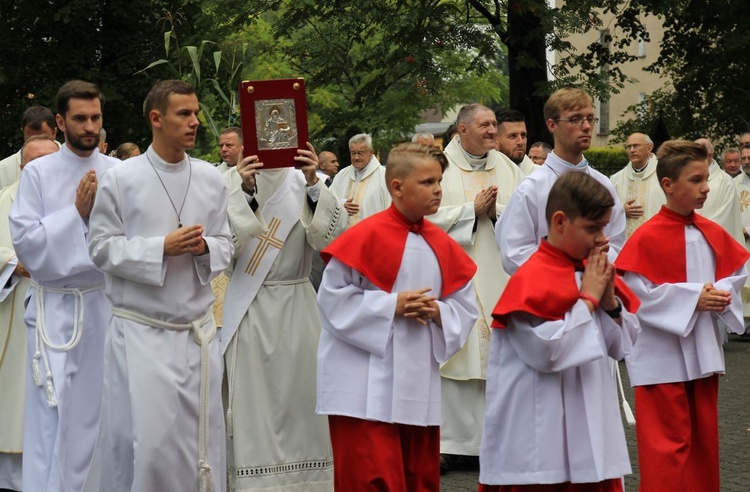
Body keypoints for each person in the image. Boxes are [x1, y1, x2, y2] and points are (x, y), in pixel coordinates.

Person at [87, 79, 233, 491]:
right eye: (183, 114)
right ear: (156, 118)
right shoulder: (120, 178)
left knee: (201, 445)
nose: (195, 122)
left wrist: (204, 246)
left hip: (197, 336)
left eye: (196, 112)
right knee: (148, 447)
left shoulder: (211, 179)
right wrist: (159, 249)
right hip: (141, 334)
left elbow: (227, 244)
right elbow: (99, 248)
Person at [316, 142, 478, 491]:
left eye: (439, 182)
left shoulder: (443, 243)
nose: (437, 190)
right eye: (427, 182)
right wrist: (392, 306)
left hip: (416, 380)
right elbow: (332, 302)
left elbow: (465, 309)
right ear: (397, 187)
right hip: (360, 386)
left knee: (417, 477)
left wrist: (439, 311)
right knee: (369, 477)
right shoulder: (363, 236)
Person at [479, 171, 640, 492]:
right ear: (560, 221)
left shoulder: (590, 270)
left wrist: (609, 303)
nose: (601, 239)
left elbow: (620, 347)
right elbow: (548, 353)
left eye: (605, 227)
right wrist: (589, 300)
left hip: (590, 425)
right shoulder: (531, 279)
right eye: (592, 228)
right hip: (540, 437)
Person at [617, 140, 749, 492]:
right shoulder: (645, 238)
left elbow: (737, 270)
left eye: (706, 179)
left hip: (702, 352)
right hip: (661, 357)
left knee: (703, 444)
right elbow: (634, 294)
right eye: (695, 180)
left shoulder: (710, 231)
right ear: (668, 185)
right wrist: (693, 299)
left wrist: (720, 294)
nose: (706, 188)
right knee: (666, 449)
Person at [219, 136, 347, 490]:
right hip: (250, 307)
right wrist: (245, 192)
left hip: (297, 306)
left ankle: (310, 482)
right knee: (253, 403)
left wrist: (312, 184)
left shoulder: (304, 182)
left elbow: (333, 242)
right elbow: (221, 250)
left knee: (300, 397)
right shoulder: (225, 183)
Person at [9, 79, 118, 492]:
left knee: (104, 409)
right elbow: (26, 242)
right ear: (60, 122)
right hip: (56, 309)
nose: (89, 126)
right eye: (80, 119)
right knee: (51, 415)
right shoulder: (38, 173)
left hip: (104, 305)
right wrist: (75, 213)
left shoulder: (119, 172)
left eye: (95, 118)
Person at [427, 103, 526, 470]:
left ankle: (497, 441)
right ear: (462, 129)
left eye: (494, 125)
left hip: (499, 275)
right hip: (456, 279)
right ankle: (452, 444)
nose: (491, 131)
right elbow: (425, 215)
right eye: (485, 125)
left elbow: (524, 213)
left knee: (497, 358)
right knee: (458, 356)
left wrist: (495, 210)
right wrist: (470, 211)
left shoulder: (507, 167)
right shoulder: (440, 165)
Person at [496, 87, 626, 276]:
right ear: (552, 125)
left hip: (596, 293)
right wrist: (570, 258)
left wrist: (599, 257)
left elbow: (617, 245)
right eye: (575, 119)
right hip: (550, 294)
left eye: (590, 118)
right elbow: (514, 255)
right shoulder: (531, 188)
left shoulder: (604, 184)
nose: (587, 126)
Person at [0, 135, 59, 492]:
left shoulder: (79, 199)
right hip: (16, 309)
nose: (40, 170)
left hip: (69, 311)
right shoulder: (2, 200)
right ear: (22, 166)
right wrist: (12, 264)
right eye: (33, 163)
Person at [610, 132, 665, 238]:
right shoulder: (616, 179)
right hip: (627, 244)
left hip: (656, 238)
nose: (632, 150)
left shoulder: (664, 174)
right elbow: (605, 211)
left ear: (649, 148)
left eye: (636, 146)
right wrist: (621, 211)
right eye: (629, 147)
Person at [330, 133, 391, 226]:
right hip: (345, 236)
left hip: (372, 235)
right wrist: (341, 205)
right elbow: (328, 201)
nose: (356, 157)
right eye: (353, 153)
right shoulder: (342, 175)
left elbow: (390, 208)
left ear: (371, 153)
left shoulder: (384, 176)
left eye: (360, 153)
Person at [694, 138, 744, 244]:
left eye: (696, 154)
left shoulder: (725, 181)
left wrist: (696, 230)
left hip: (713, 241)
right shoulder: (687, 177)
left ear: (710, 155)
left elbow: (725, 216)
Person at [0, 106, 58, 189]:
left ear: (54, 133)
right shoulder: (3, 170)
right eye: (30, 140)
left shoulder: (74, 162)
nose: (37, 146)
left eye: (44, 139)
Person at [495, 108, 539, 176]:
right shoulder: (483, 174)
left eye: (523, 135)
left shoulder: (540, 175)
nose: (520, 142)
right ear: (495, 140)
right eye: (513, 136)